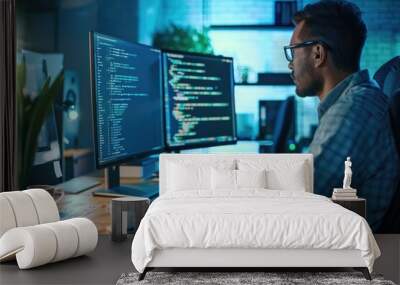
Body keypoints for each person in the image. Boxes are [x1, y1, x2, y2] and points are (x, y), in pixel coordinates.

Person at [284, 0, 399, 231]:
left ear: (318, 54)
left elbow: (299, 205)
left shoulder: (350, 113)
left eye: (293, 52)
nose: (290, 65)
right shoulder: (362, 98)